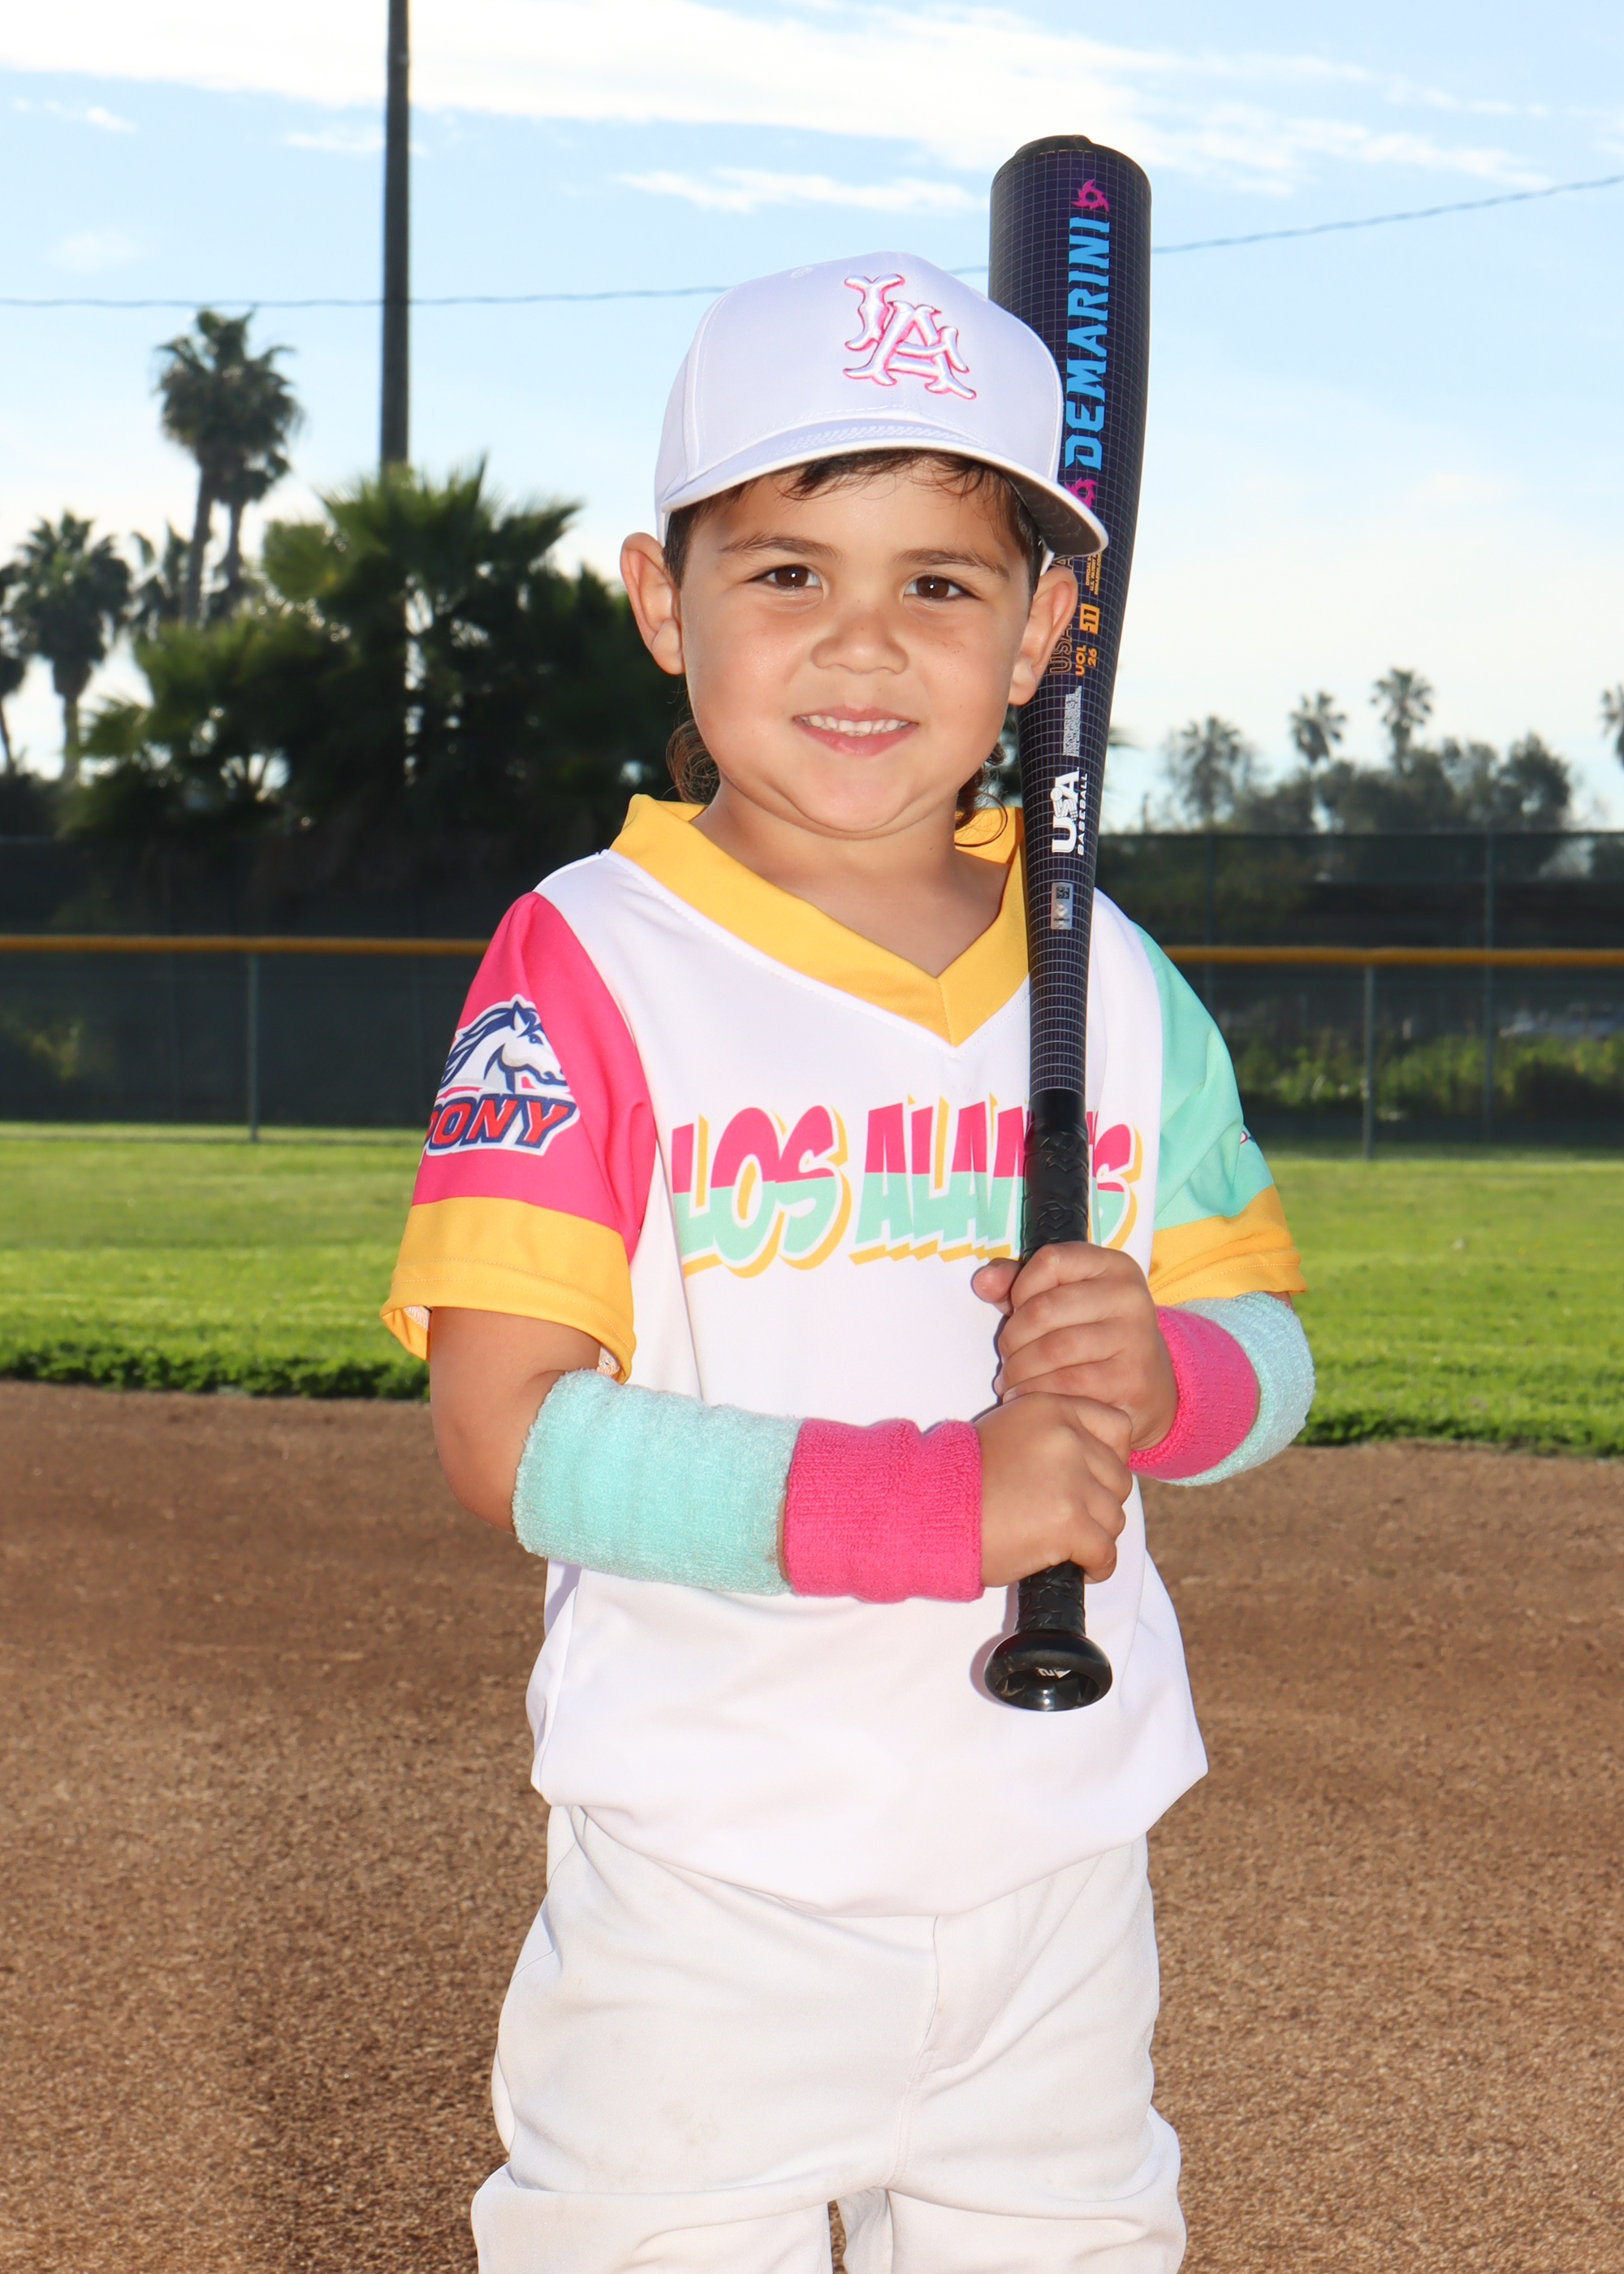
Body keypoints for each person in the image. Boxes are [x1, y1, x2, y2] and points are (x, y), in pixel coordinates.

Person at [383, 251, 1312, 2274]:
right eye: (789, 570)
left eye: (942, 581)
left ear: (1045, 629)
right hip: (709, 1880)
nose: (862, 641)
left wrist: (1176, 1378)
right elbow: (507, 1430)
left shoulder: (1116, 978)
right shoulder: (593, 958)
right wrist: (942, 1500)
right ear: (665, 600)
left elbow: (1265, 1345)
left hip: (1057, 1864)